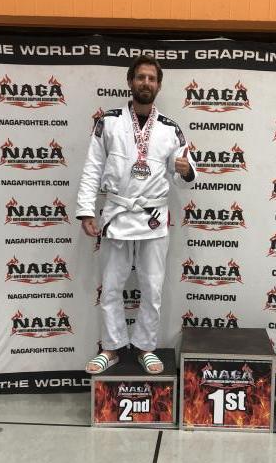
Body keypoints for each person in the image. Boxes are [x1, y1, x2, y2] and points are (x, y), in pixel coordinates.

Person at [76, 55, 196, 374]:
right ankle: (112, 347)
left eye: (151, 78)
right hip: (117, 212)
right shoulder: (108, 122)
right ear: (130, 82)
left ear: (158, 85)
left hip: (153, 216)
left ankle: (145, 346)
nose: (146, 83)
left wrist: (186, 169)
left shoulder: (171, 128)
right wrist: (86, 210)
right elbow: (92, 168)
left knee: (152, 287)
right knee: (111, 286)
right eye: (141, 77)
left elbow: (184, 172)